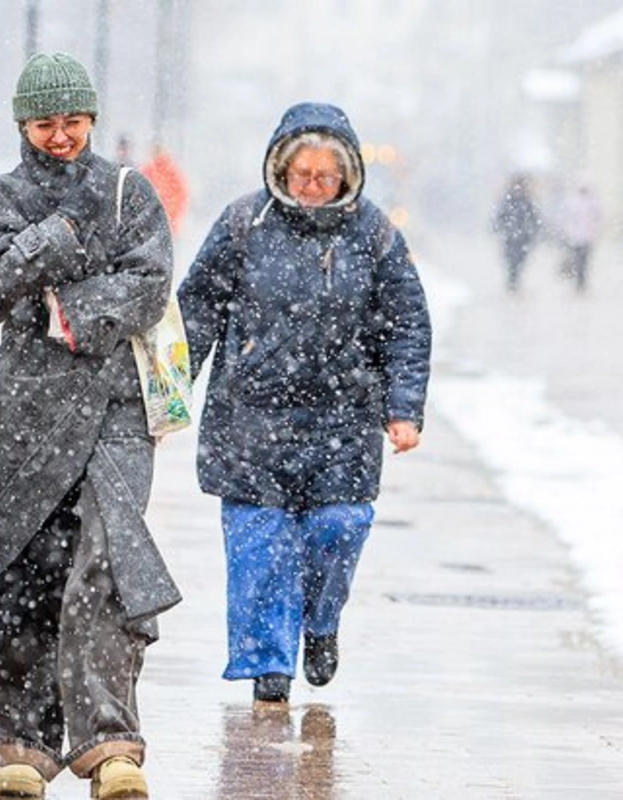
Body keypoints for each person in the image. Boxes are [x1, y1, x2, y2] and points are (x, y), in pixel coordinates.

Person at [0, 52, 180, 800]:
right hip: (26, 410)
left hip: (114, 406)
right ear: (22, 124)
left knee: (105, 557)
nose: (62, 135)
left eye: (73, 121)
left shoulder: (130, 193)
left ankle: (110, 743)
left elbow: (149, 281)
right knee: (24, 562)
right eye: (47, 122)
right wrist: (62, 240)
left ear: (92, 120)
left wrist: (62, 308)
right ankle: (24, 743)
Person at [177, 102, 432, 707]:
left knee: (338, 529)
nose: (313, 187)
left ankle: (319, 624)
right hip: (250, 418)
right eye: (302, 175)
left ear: (347, 176)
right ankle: (269, 667)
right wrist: (165, 397)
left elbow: (406, 324)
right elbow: (196, 311)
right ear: (280, 170)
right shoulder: (244, 223)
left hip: (342, 419)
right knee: (259, 543)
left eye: (326, 176)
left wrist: (404, 407)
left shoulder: (373, 234)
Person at [491, 172, 541, 292]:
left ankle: (514, 281)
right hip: (511, 235)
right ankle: (512, 282)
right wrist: (498, 226)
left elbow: (535, 217)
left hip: (523, 236)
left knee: (520, 260)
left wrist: (535, 229)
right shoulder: (509, 200)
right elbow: (500, 216)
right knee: (511, 260)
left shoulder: (527, 201)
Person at [555, 177, 602, 292]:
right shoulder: (572, 202)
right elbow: (562, 218)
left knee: (583, 261)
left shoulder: (592, 202)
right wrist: (565, 230)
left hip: (586, 237)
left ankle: (580, 283)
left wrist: (595, 229)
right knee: (578, 260)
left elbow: (600, 217)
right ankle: (579, 283)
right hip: (575, 237)